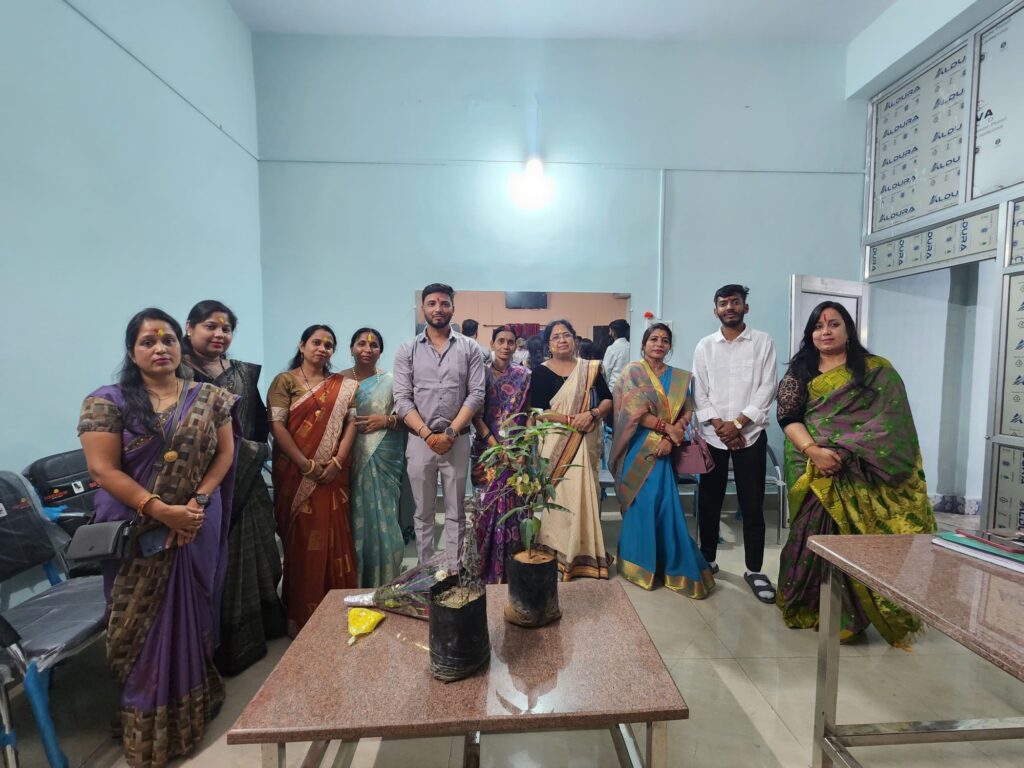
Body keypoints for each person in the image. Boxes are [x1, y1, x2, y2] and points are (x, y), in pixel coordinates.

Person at [78, 308, 236, 767]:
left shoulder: (210, 397)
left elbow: (225, 454)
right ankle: (146, 722)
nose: (160, 348)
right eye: (148, 341)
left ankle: (192, 704)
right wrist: (161, 510)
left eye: (167, 340)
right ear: (132, 352)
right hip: (136, 529)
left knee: (194, 611)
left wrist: (198, 503)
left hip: (195, 524)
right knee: (138, 626)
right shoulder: (107, 402)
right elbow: (102, 469)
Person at [776, 302, 935, 644]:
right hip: (813, 468)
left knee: (855, 544)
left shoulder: (877, 371)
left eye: (833, 324)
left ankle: (851, 617)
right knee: (810, 536)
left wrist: (848, 450)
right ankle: (810, 605)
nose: (825, 331)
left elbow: (891, 426)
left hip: (862, 472)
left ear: (848, 329)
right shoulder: (800, 371)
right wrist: (814, 451)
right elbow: (788, 418)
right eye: (818, 326)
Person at [182, 299, 285, 676]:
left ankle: (262, 627)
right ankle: (216, 645)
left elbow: (257, 421)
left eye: (226, 329)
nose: (219, 334)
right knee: (214, 565)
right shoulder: (177, 372)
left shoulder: (241, 373)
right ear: (189, 327)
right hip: (200, 484)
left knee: (262, 554)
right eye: (210, 326)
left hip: (247, 479)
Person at [611, 323, 715, 599]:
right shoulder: (632, 372)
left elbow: (688, 410)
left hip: (666, 450)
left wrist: (671, 437)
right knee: (641, 502)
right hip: (639, 447)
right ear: (644, 344)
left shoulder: (679, 377)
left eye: (665, 340)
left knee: (665, 504)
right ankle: (638, 564)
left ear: (669, 347)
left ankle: (667, 565)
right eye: (653, 339)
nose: (659, 344)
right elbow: (631, 412)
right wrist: (665, 428)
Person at [267, 324, 359, 636]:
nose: (322, 348)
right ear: (302, 345)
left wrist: (338, 461)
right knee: (302, 541)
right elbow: (277, 426)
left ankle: (336, 612)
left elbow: (352, 424)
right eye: (316, 342)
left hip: (333, 473)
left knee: (334, 534)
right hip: (295, 474)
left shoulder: (343, 385)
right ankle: (301, 617)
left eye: (328, 345)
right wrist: (305, 464)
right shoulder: (284, 381)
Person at [692, 284, 778, 603]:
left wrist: (739, 424)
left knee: (752, 504)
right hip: (713, 437)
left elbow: (768, 388)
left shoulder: (763, 342)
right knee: (709, 503)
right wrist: (721, 426)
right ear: (715, 310)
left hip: (750, 437)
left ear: (745, 307)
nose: (729, 307)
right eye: (723, 303)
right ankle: (708, 561)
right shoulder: (705, 346)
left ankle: (754, 570)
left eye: (735, 302)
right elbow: (699, 391)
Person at [393, 283, 486, 568]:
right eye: (432, 303)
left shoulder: (469, 348)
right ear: (423, 308)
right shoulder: (407, 350)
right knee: (423, 512)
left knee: (456, 510)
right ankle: (425, 571)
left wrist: (449, 433)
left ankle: (453, 571)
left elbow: (476, 394)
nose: (438, 309)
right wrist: (427, 435)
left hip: (456, 441)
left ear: (453, 308)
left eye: (444, 303)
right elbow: (402, 399)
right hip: (420, 442)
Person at [529, 319, 613, 580]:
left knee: (584, 494)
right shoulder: (540, 372)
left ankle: (585, 552)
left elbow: (608, 400)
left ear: (575, 340)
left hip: (585, 439)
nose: (562, 340)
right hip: (556, 442)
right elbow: (539, 411)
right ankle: (557, 549)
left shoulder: (590, 369)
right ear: (549, 345)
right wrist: (571, 420)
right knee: (560, 498)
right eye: (556, 337)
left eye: (566, 335)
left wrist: (592, 414)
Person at [340, 328, 406, 587]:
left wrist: (386, 420)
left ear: (380, 351)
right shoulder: (337, 381)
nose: (367, 349)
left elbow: (407, 418)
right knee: (352, 516)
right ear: (351, 348)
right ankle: (356, 579)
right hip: (348, 456)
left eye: (374, 345)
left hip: (384, 457)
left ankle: (386, 578)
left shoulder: (392, 381)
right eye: (361, 344)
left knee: (385, 516)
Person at [471, 325, 532, 583]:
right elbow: (475, 415)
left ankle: (513, 570)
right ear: (492, 344)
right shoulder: (480, 374)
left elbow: (529, 414)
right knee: (486, 509)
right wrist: (496, 447)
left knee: (517, 510)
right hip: (487, 452)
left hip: (517, 453)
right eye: (501, 341)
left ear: (516, 346)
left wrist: (524, 449)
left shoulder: (524, 375)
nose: (506, 346)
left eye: (511, 342)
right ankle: (484, 570)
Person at [602, 318, 631, 391]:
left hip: (614, 388)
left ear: (613, 332)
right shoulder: (631, 346)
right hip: (630, 388)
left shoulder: (612, 348)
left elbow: (606, 371)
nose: (609, 333)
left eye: (610, 331)